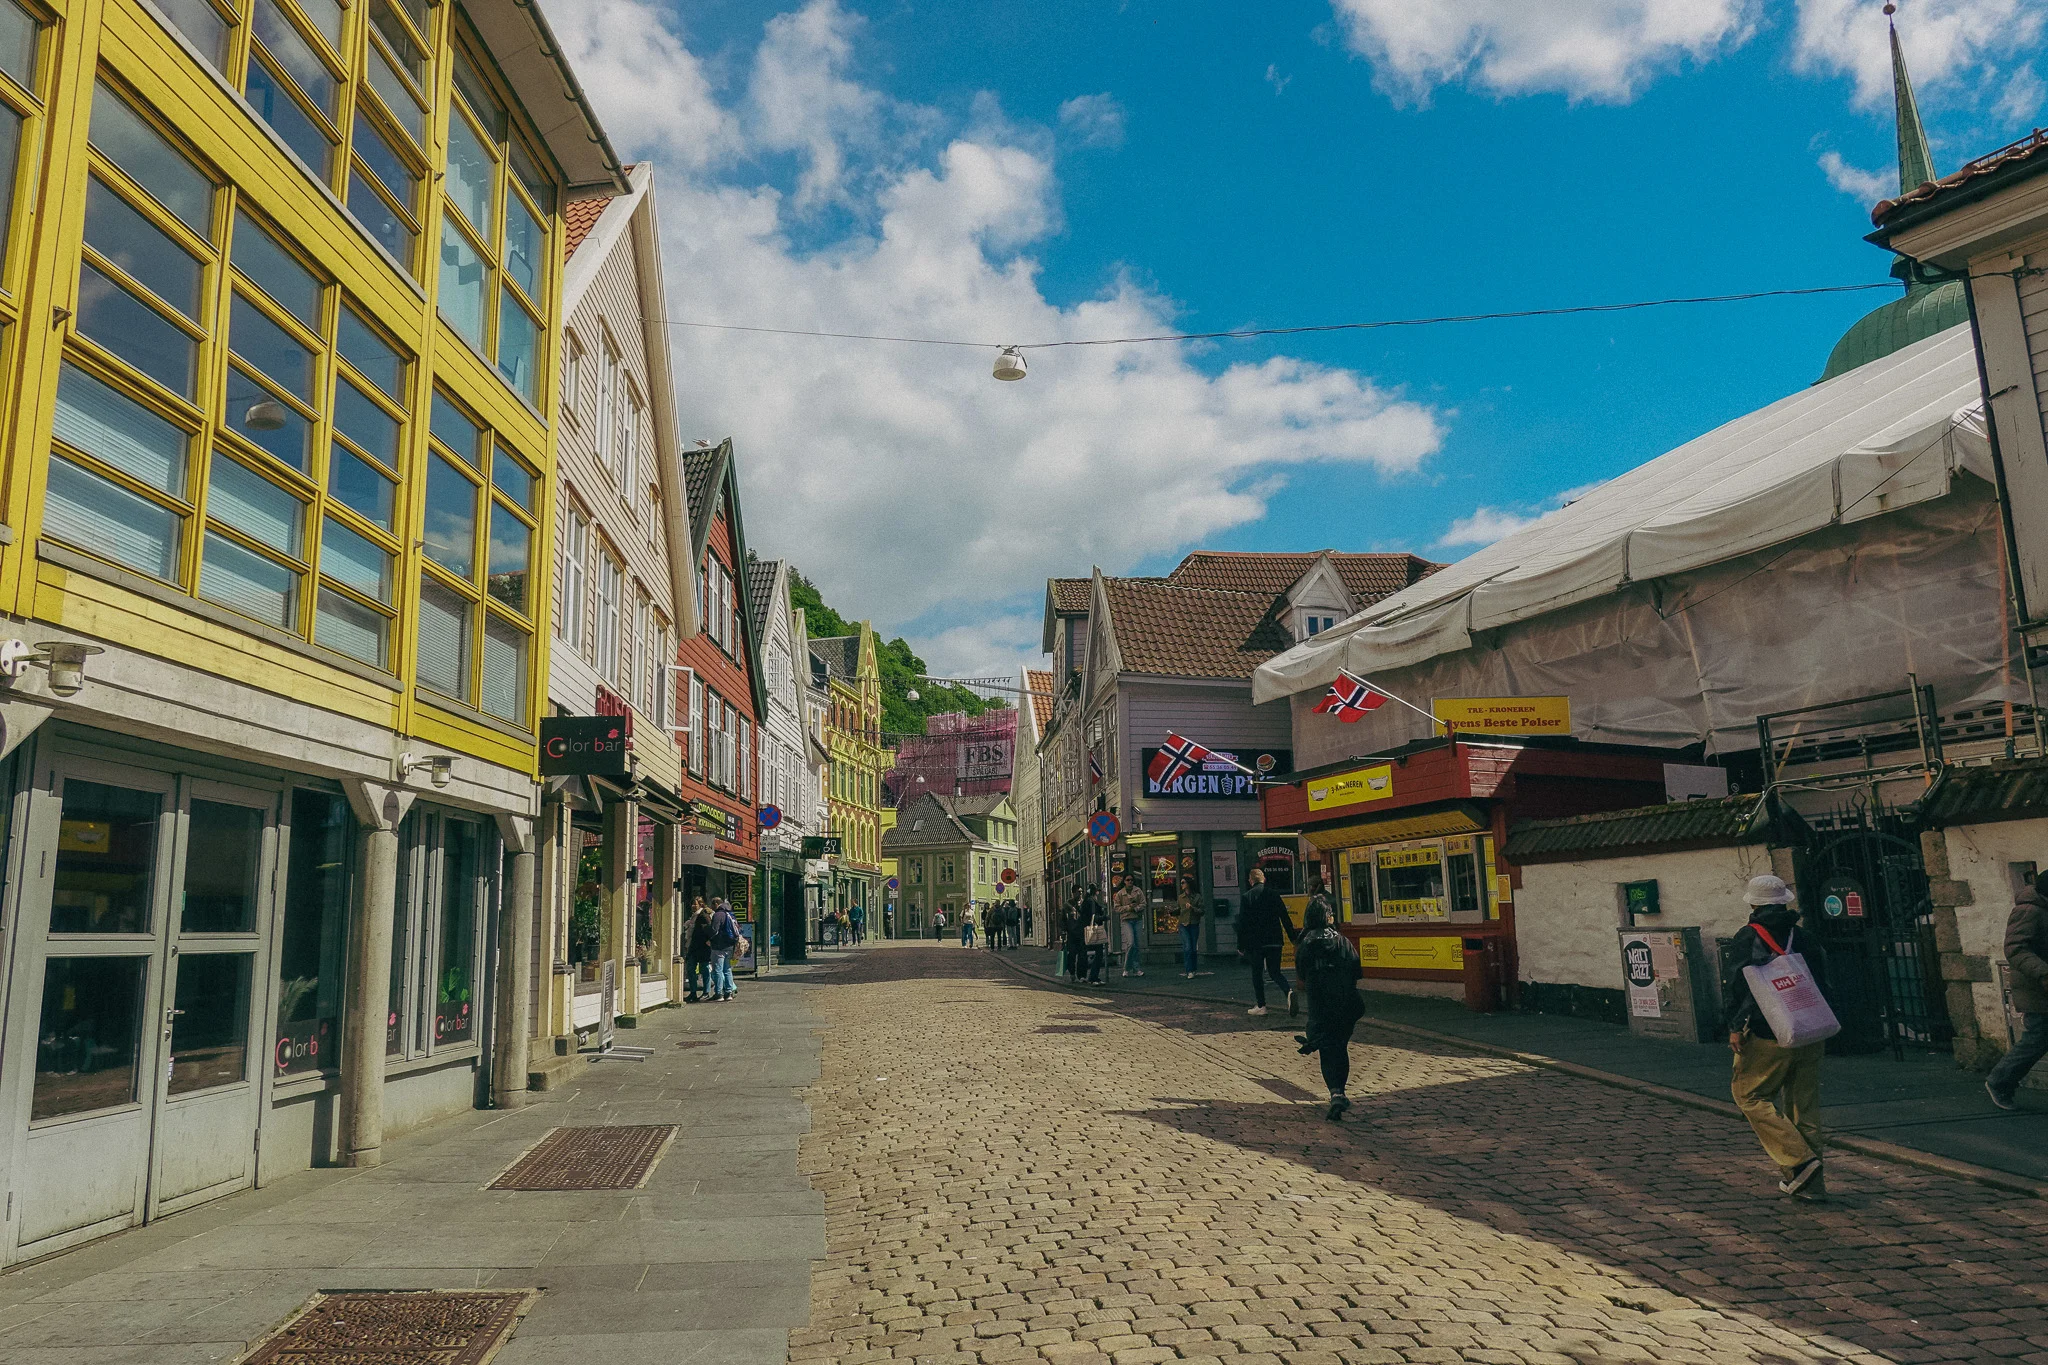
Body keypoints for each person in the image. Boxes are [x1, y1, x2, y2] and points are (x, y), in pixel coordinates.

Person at [1722, 874, 1833, 1199]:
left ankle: (1799, 1162)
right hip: (1810, 1029)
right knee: (1804, 1108)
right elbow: (1823, 980)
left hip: (1768, 1032)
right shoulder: (1803, 936)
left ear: (1754, 904)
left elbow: (1738, 985)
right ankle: (1812, 1186)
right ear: (1784, 901)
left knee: (1749, 1095)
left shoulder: (1747, 937)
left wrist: (1734, 1025)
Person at [1293, 900, 1365, 1120]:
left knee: (1327, 1046)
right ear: (1327, 917)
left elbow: (1302, 974)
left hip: (1319, 1003)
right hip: (1345, 1001)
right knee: (1339, 1045)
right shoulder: (1342, 941)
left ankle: (1335, 1092)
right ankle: (1339, 1091)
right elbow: (1356, 968)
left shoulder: (1305, 942)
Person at [1988, 869, 2048, 1109]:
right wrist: (2044, 972)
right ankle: (2000, 1081)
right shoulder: (2029, 911)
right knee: (2038, 1038)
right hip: (2037, 987)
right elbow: (2015, 948)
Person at [1237, 868, 1296, 1017]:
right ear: (1264, 879)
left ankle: (1261, 1005)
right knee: (1275, 972)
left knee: (1257, 973)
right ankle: (1288, 990)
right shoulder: (1274, 894)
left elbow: (1242, 923)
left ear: (1251, 881)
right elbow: (1285, 917)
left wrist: (1241, 945)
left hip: (1256, 942)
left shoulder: (1247, 897)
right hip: (1275, 940)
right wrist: (1293, 938)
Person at [708, 897, 742, 1002]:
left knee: (717, 970)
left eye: (712, 904)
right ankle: (729, 992)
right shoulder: (730, 914)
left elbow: (714, 930)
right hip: (729, 946)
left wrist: (709, 938)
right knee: (727, 969)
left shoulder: (718, 914)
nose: (712, 907)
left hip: (719, 946)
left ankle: (719, 993)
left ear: (716, 903)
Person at [1115, 877, 1147, 977]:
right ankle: (1126, 967)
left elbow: (1144, 903)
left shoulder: (1138, 891)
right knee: (1131, 943)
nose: (1130, 882)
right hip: (1126, 920)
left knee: (1137, 945)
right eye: (1128, 880)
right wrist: (1128, 907)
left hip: (1137, 919)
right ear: (1124, 882)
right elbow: (1116, 908)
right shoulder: (1120, 893)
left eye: (1132, 880)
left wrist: (1136, 908)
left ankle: (1136, 968)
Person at [683, 898, 713, 1003]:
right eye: (692, 904)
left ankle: (706, 992)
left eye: (695, 904)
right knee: (691, 969)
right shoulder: (694, 916)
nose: (693, 906)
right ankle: (693, 993)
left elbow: (710, 929)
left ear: (700, 904)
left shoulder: (703, 915)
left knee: (704, 969)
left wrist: (708, 940)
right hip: (693, 946)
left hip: (702, 947)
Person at [1078, 886, 1109, 984]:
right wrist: (1104, 917)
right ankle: (1093, 977)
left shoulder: (1086, 901)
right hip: (1093, 930)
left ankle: (1083, 976)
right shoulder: (1091, 901)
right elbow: (1094, 916)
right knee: (1099, 953)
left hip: (1085, 929)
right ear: (1096, 892)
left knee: (1084, 953)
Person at [1175, 875, 1204, 979]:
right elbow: (1179, 909)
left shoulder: (1197, 897)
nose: (1182, 885)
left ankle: (1193, 968)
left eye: (1183, 883)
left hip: (1194, 923)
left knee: (1192, 948)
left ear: (1189, 884)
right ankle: (1189, 970)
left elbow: (1202, 911)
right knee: (1187, 947)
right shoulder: (1180, 897)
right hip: (1183, 924)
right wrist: (1172, 911)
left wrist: (1192, 908)